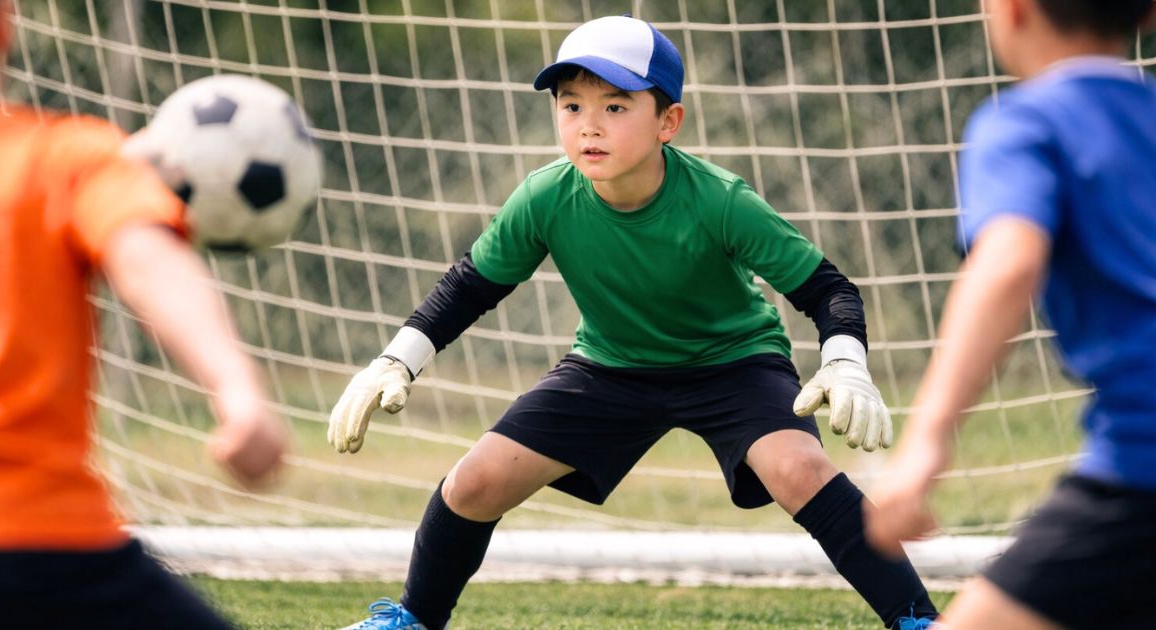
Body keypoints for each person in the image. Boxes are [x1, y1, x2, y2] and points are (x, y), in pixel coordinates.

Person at [328, 14, 939, 630]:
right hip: (610, 367)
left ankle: (917, 619)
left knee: (799, 470)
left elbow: (827, 289)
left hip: (733, 364)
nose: (589, 124)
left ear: (667, 122)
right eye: (571, 106)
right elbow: (470, 287)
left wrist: (844, 360)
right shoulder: (544, 197)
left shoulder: (720, 199)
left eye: (615, 107)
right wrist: (397, 358)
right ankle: (413, 619)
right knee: (474, 483)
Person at [0, 1, 287, 628]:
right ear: (3, 24)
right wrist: (237, 392)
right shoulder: (66, 158)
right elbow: (147, 263)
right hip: (39, 546)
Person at [865, 1, 1156, 628]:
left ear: (1013, 9)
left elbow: (1008, 265)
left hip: (1143, 466)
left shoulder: (1025, 123)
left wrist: (924, 445)